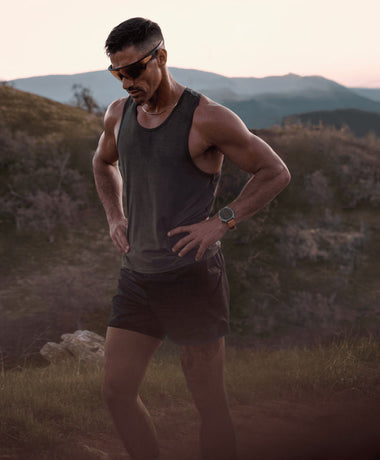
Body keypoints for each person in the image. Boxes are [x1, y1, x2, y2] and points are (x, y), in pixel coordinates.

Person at [92, 17, 291, 460]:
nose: (126, 82)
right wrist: (114, 216)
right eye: (117, 74)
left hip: (192, 278)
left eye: (134, 70)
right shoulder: (118, 114)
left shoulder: (208, 118)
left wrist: (222, 220)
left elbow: (275, 171)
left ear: (160, 57)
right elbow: (102, 163)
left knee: (209, 404)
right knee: (116, 392)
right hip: (138, 276)